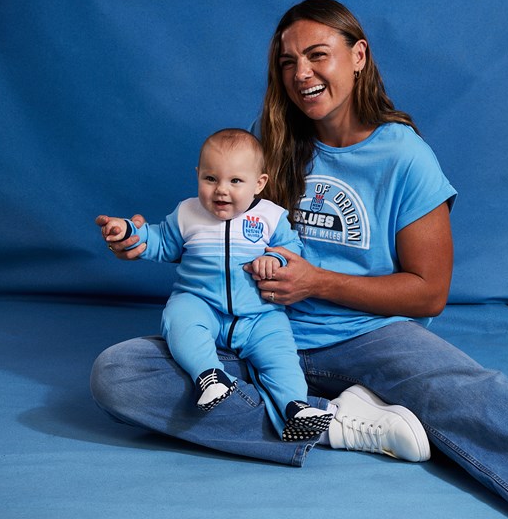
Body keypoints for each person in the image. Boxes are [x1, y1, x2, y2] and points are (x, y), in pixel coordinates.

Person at [91, 0, 508, 519]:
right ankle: (338, 424)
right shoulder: (267, 147)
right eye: (287, 61)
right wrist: (145, 239)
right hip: (253, 333)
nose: (301, 73)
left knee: (479, 399)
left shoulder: (406, 157)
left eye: (317, 55)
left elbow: (427, 293)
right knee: (121, 374)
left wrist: (316, 280)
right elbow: (208, 235)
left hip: (368, 336)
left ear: (358, 56)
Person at [96, 128, 334, 442]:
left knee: (280, 355)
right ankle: (209, 376)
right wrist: (128, 232)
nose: (221, 190)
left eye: (235, 181)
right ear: (198, 175)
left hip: (259, 315)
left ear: (259, 183)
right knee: (180, 318)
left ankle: (295, 406)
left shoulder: (270, 217)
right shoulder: (187, 213)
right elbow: (160, 242)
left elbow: (293, 251)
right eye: (210, 179)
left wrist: (275, 259)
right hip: (201, 303)